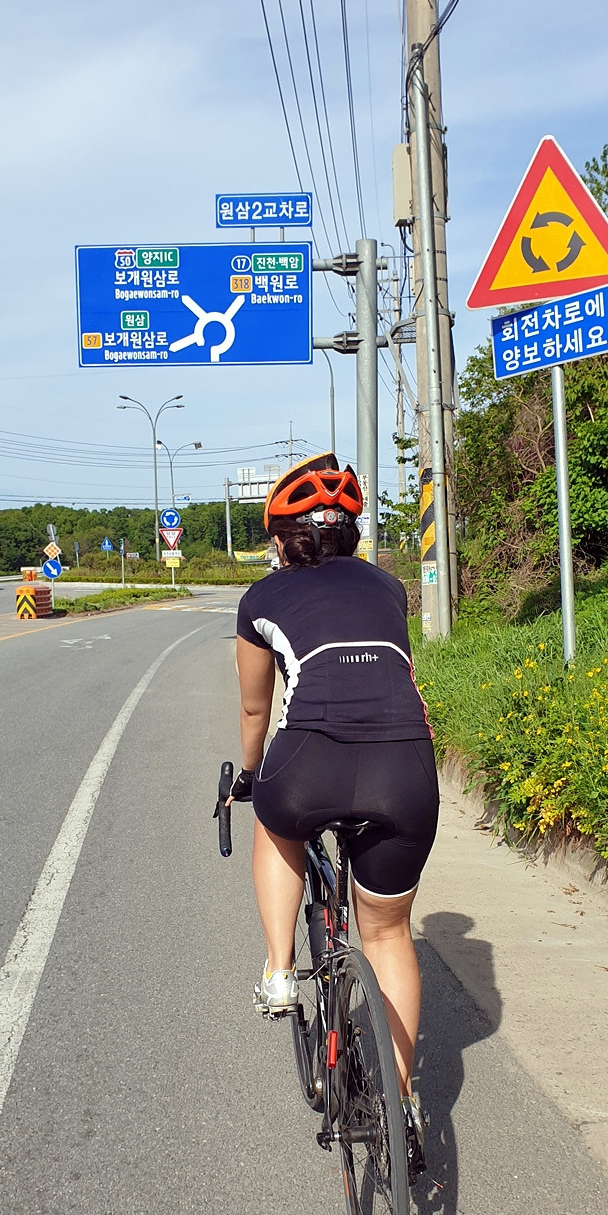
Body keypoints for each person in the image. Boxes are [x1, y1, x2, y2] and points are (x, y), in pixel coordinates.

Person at [231, 452, 439, 1173]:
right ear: (349, 532)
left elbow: (256, 709)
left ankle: (280, 970)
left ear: (282, 539)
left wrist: (249, 777)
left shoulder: (262, 598)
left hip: (309, 762)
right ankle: (400, 1102)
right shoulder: (389, 586)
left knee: (275, 818)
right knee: (388, 932)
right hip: (404, 769)